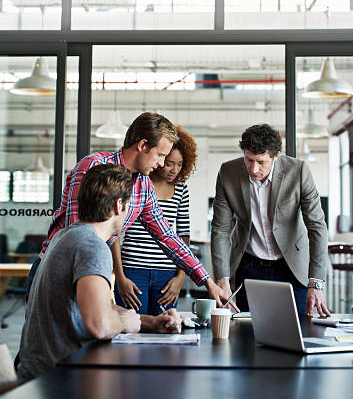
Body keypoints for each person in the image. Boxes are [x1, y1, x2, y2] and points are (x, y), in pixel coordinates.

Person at [32, 112, 229, 307]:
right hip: (57, 271)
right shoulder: (93, 166)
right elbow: (76, 234)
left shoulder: (143, 185)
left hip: (89, 273)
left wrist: (207, 281)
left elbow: (167, 236)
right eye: (160, 155)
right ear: (143, 146)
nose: (161, 163)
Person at [17, 164, 181, 384]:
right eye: (129, 205)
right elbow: (99, 324)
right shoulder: (92, 247)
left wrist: (150, 323)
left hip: (41, 373)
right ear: (117, 206)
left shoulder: (67, 235)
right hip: (57, 380)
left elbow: (96, 306)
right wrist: (124, 324)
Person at [210, 123, 330, 317]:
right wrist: (222, 278)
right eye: (249, 160)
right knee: (246, 335)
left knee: (297, 333)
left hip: (292, 267)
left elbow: (317, 226)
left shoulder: (298, 171)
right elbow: (220, 230)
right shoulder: (228, 172)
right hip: (249, 267)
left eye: (261, 161)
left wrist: (316, 282)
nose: (254, 168)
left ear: (276, 156)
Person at [114, 125, 197, 314]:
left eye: (180, 164)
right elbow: (115, 232)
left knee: (166, 331)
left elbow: (182, 235)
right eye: (169, 162)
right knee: (131, 331)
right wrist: (119, 276)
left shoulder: (181, 190)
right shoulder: (137, 183)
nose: (174, 169)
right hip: (133, 271)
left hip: (167, 276)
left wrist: (180, 278)